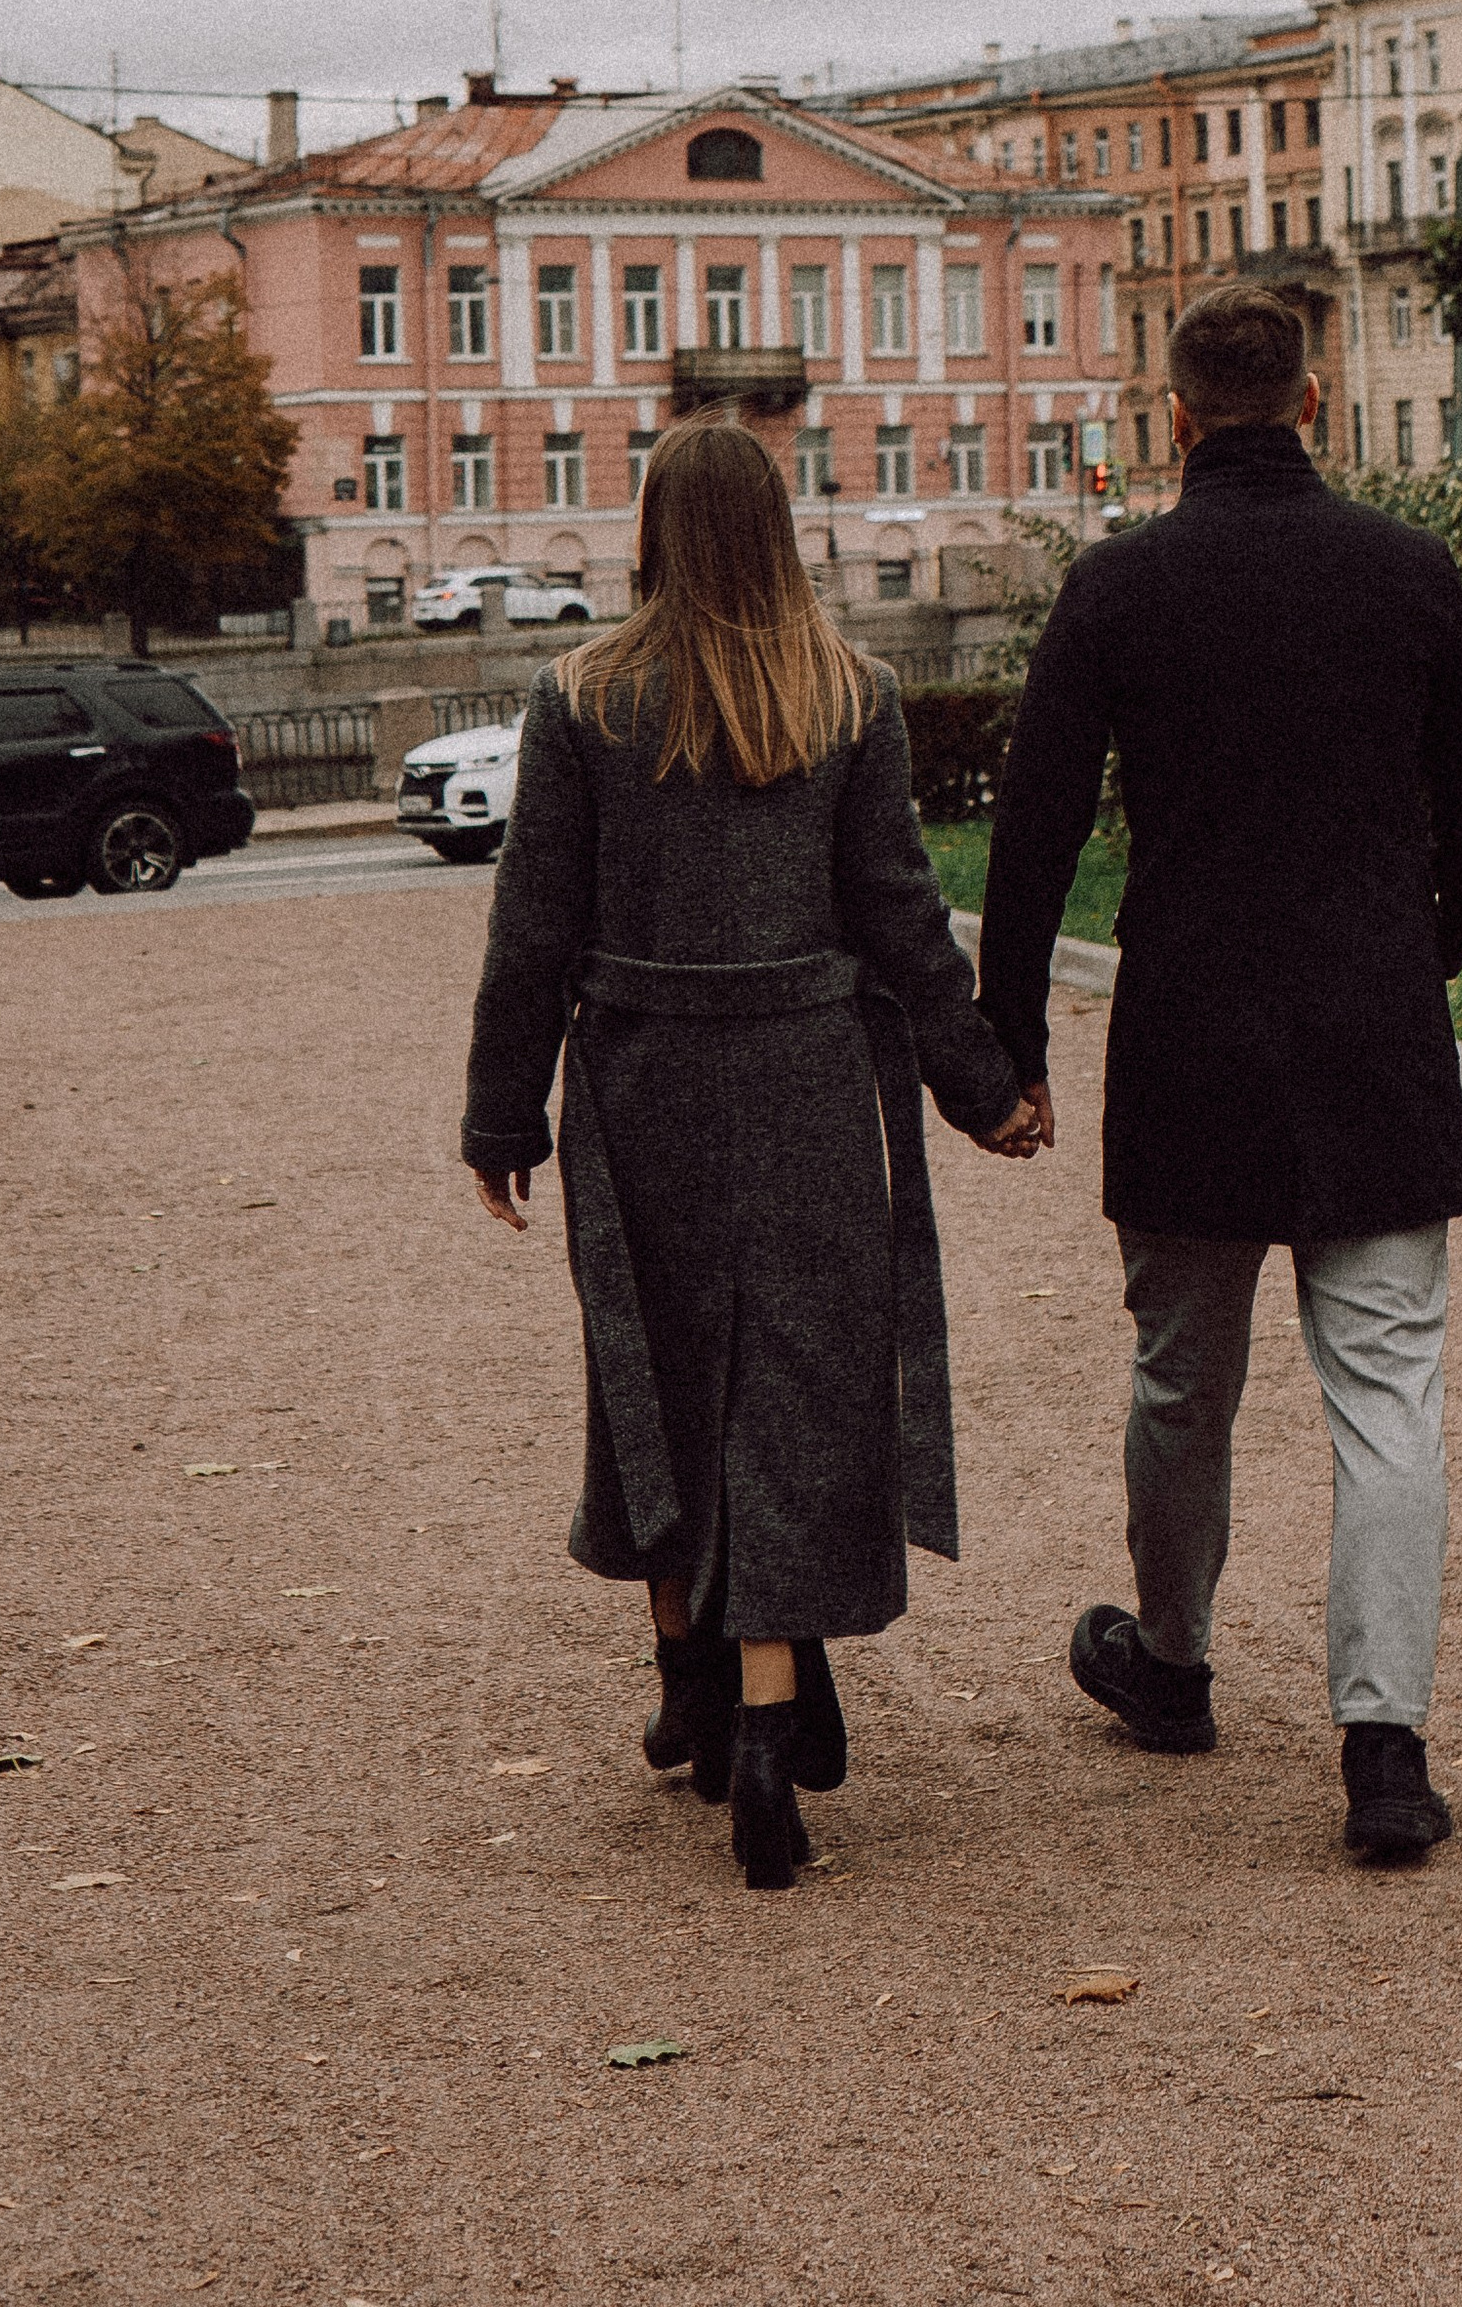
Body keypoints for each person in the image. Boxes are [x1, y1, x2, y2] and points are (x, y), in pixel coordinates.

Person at [460, 413, 1041, 1891]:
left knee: (654, 1372)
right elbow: (902, 914)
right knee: (789, 1393)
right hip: (802, 1082)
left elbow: (532, 927)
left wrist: (501, 1113)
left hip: (642, 1081)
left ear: (651, 529)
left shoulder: (582, 698)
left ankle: (691, 1686)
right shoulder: (850, 692)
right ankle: (771, 1732)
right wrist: (983, 1087)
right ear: (779, 530)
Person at [977, 280, 1462, 1865]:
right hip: (1372, 1028)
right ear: (1313, 399)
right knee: (1390, 1395)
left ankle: (1174, 1663)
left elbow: (1034, 830)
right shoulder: (1406, 570)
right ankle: (1385, 1746)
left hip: (1189, 1033)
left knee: (1180, 1379)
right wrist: (1432, 944)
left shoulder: (1117, 587)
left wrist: (1013, 1041)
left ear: (1175, 418)